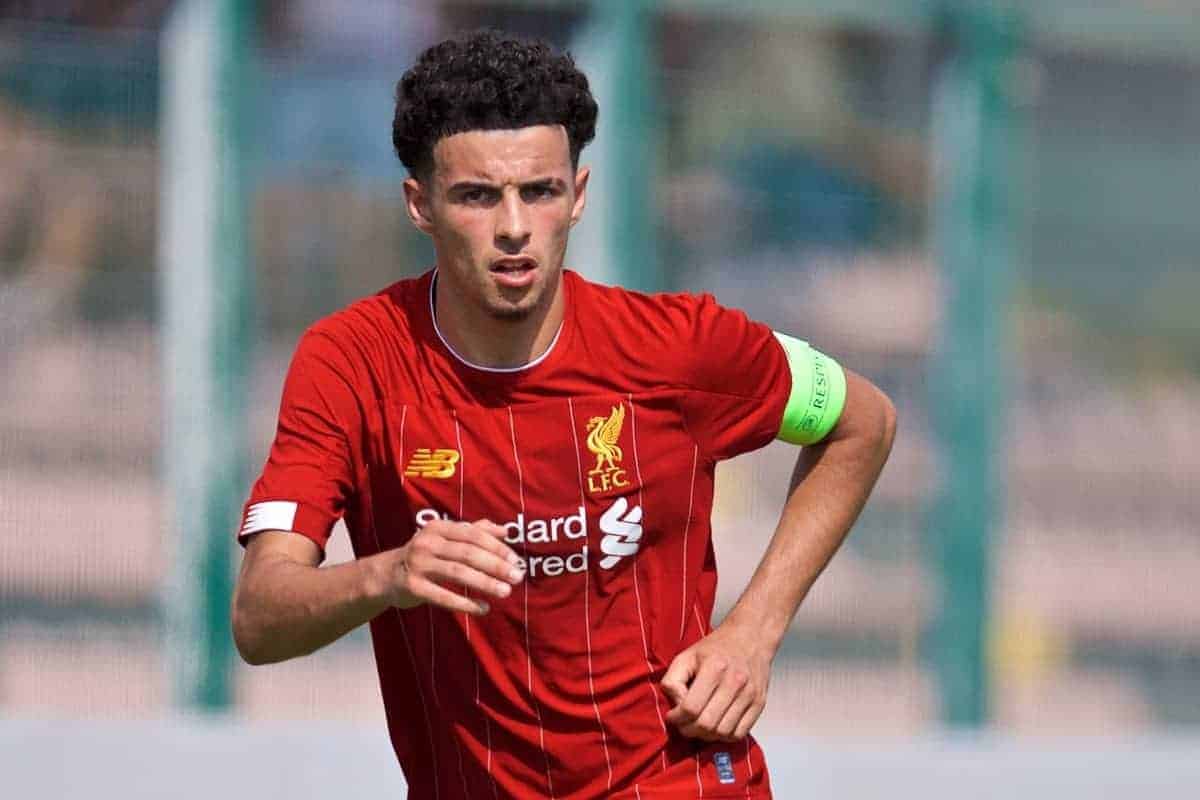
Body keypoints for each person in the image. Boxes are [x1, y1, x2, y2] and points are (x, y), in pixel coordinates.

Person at [232, 29, 896, 800]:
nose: (514, 227)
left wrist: (754, 632)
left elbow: (864, 422)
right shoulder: (352, 361)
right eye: (478, 196)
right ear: (421, 205)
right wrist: (390, 573)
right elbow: (260, 615)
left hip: (679, 782)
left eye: (539, 192)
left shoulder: (679, 345)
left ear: (577, 195)